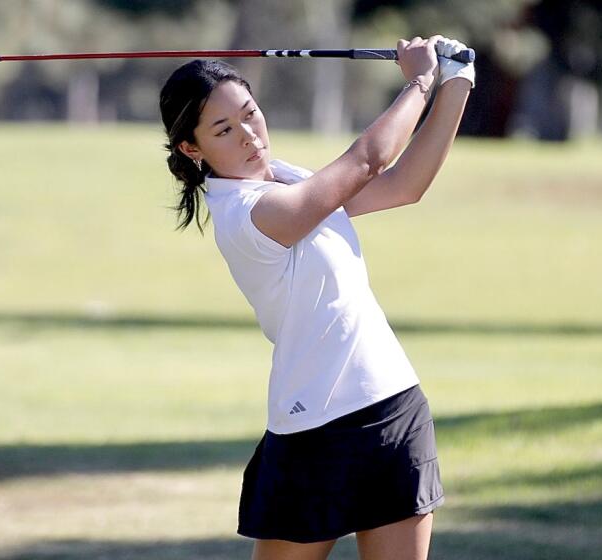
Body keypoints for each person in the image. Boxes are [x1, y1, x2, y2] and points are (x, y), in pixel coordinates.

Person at [159, 35, 474, 560]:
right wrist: (421, 81)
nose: (249, 135)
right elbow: (369, 160)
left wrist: (457, 82)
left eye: (250, 114)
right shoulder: (247, 217)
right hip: (313, 429)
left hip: (393, 406)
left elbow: (403, 186)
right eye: (223, 129)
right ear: (192, 150)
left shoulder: (288, 178)